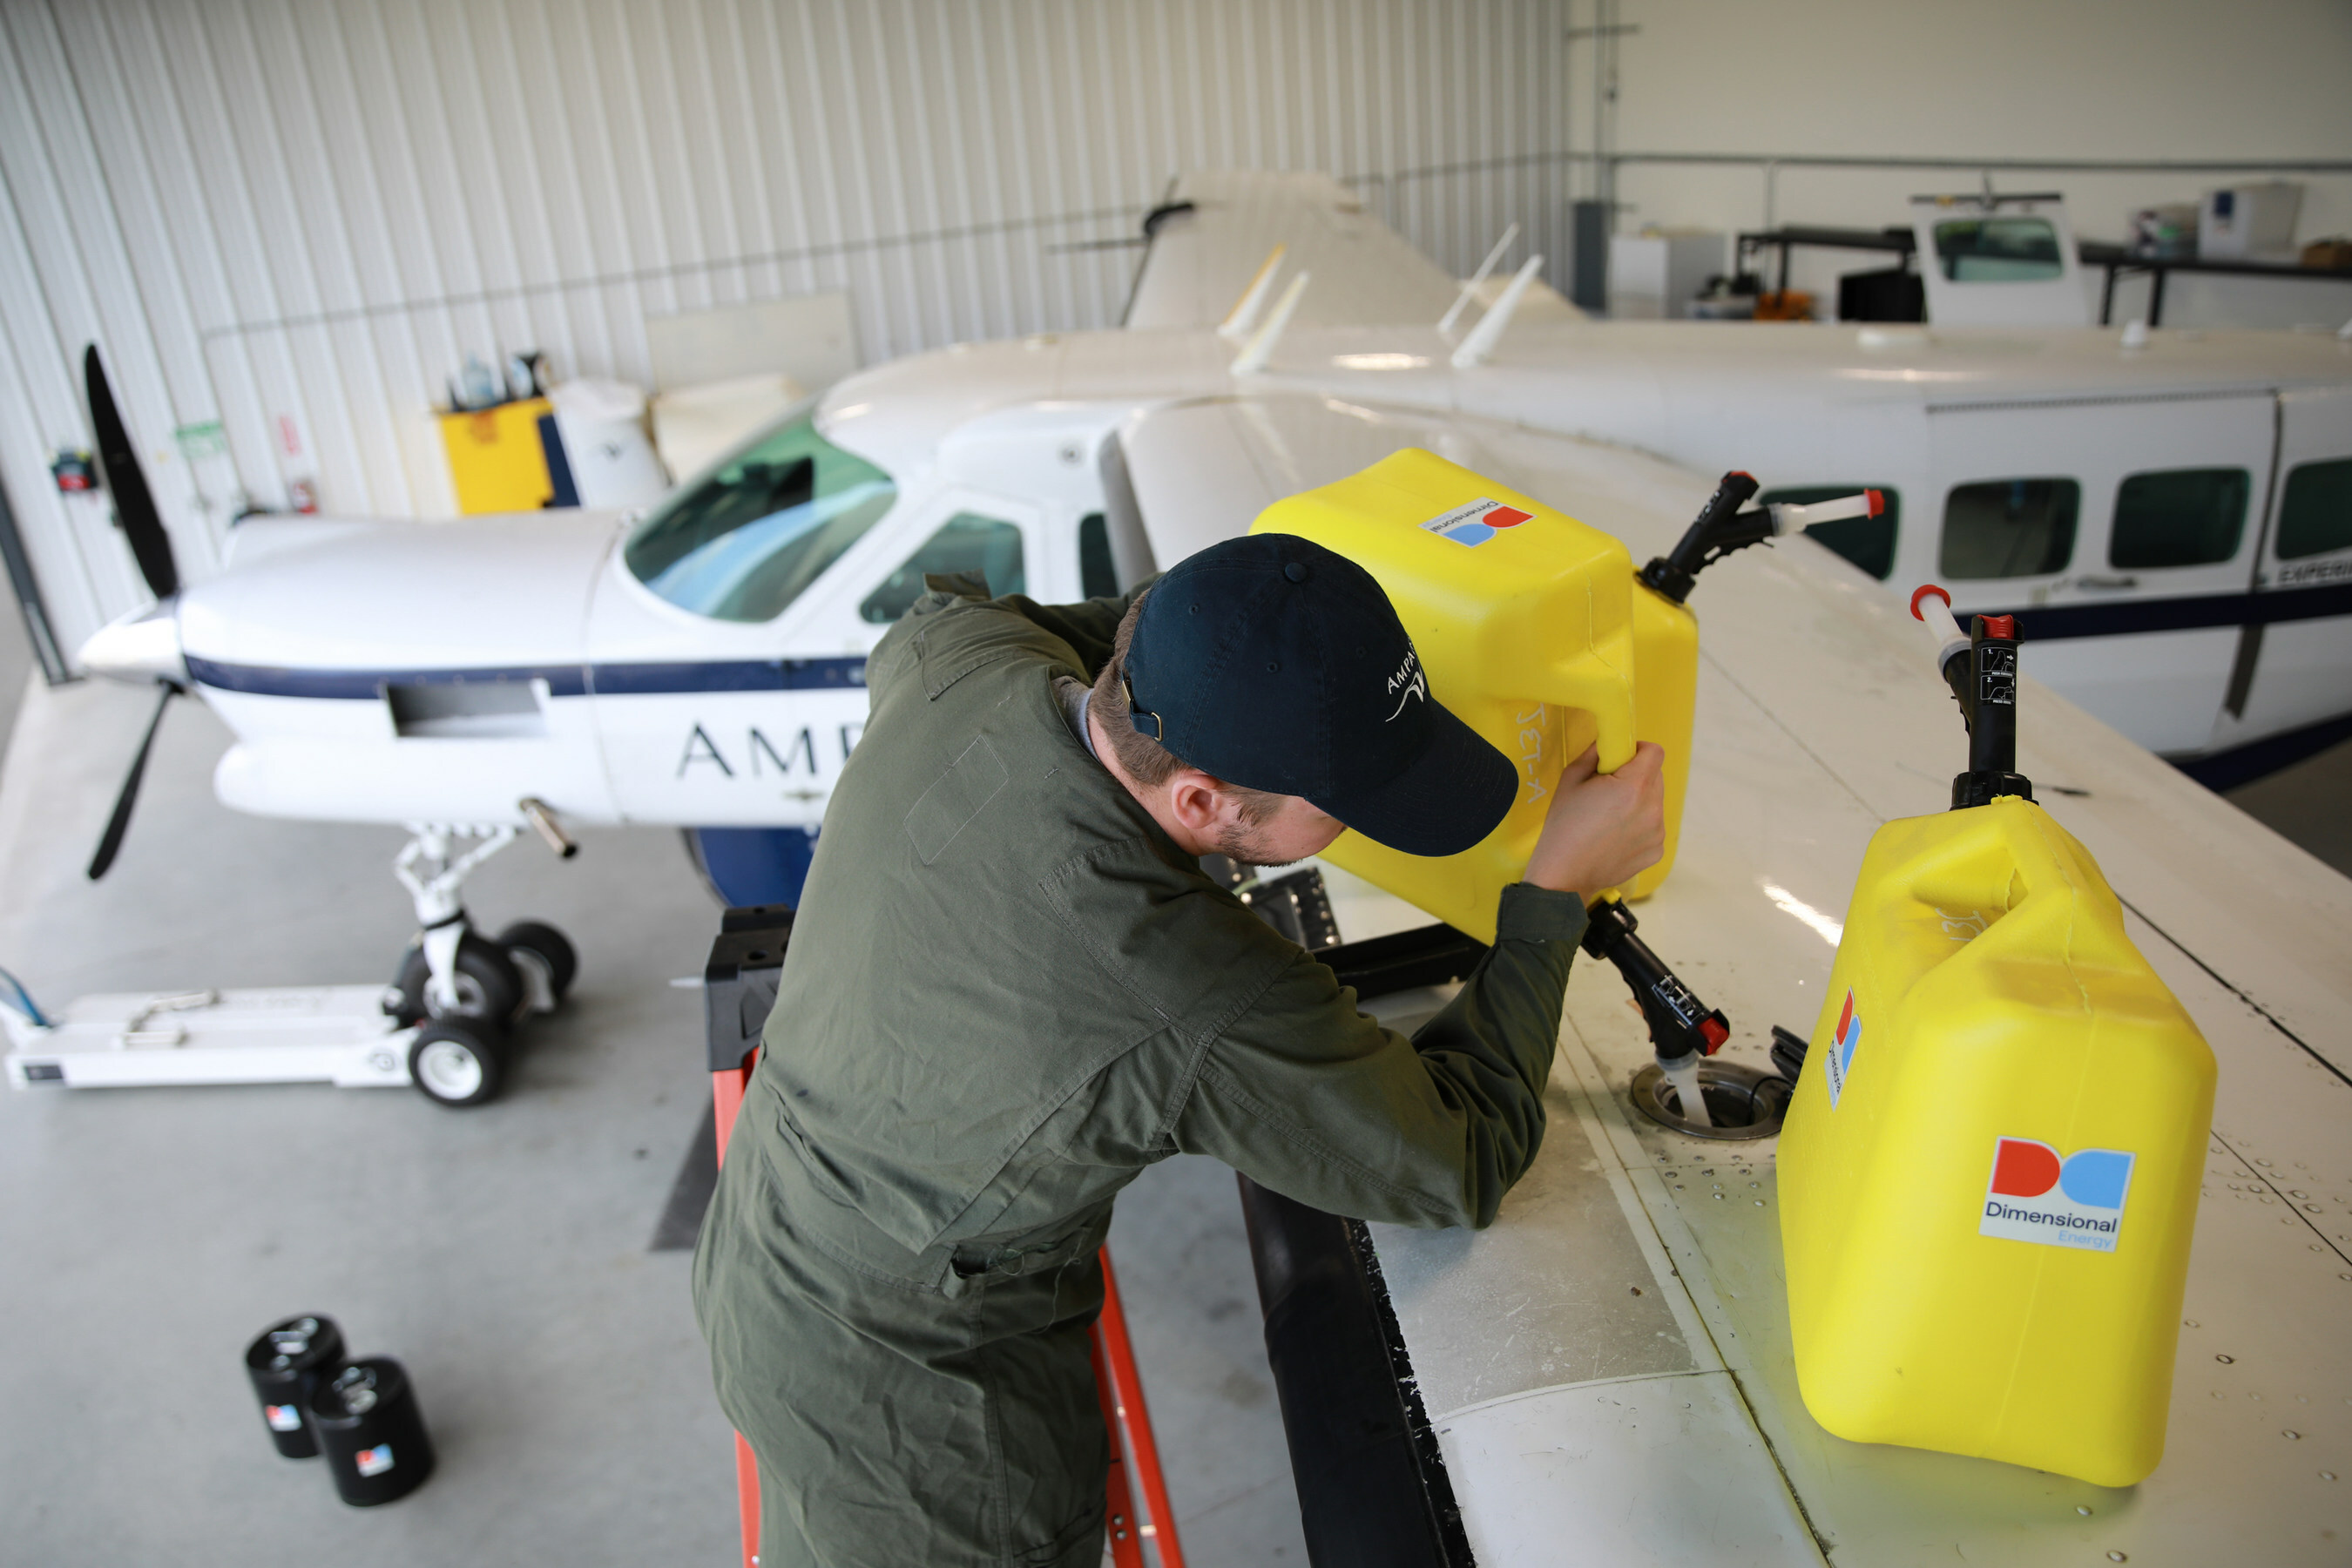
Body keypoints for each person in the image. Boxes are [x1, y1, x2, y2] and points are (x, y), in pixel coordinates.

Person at [693, 533, 1666, 1568]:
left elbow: (987, 620)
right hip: (917, 1414)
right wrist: (1556, 891)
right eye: (1344, 803)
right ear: (1202, 802)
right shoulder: (1182, 981)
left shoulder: (959, 663)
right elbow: (1457, 1156)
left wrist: (1233, 637)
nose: (1359, 820)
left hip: (761, 1242)